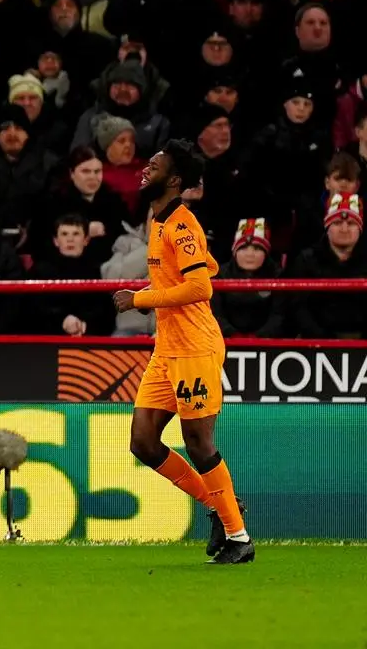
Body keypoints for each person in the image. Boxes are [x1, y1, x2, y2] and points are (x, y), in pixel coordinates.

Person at [113, 139, 252, 564]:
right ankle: (217, 506)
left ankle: (239, 536)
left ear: (173, 180)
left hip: (194, 346)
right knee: (143, 442)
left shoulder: (181, 224)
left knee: (198, 442)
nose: (143, 170)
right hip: (167, 347)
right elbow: (201, 268)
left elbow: (200, 287)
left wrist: (140, 299)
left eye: (153, 166)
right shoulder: (158, 219)